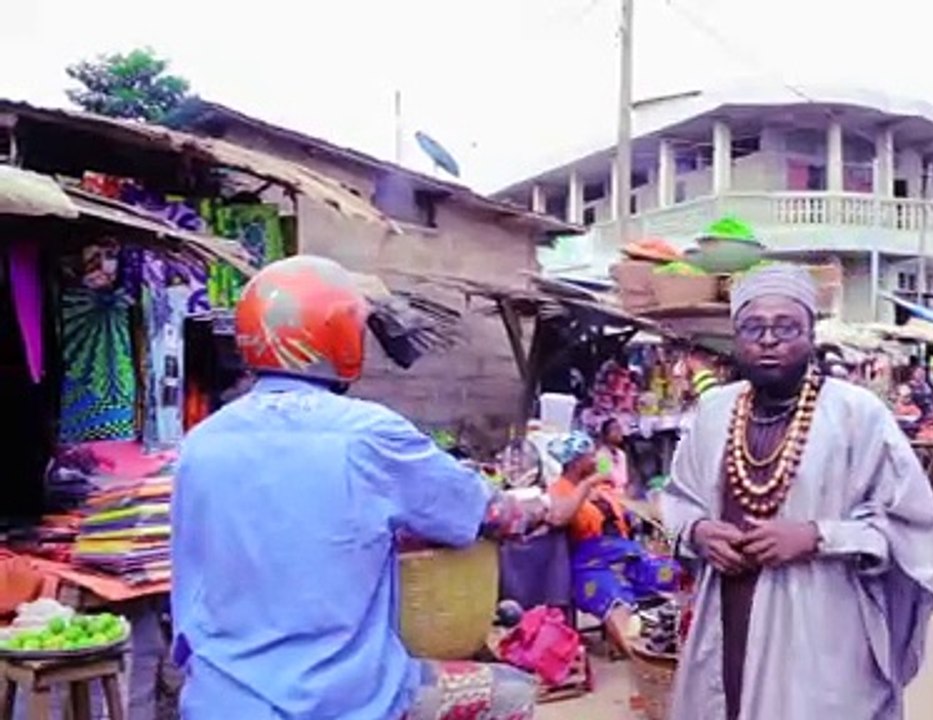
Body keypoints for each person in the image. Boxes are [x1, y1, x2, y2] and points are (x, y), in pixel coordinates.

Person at [171, 256, 579, 720]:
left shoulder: (199, 445)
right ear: (340, 333)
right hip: (337, 702)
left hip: (217, 701)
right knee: (511, 691)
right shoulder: (368, 435)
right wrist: (544, 506)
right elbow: (483, 512)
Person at [661, 263, 933, 720]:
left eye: (785, 326)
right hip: (729, 605)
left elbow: (910, 525)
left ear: (812, 333)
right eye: (753, 327)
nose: (768, 339)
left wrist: (817, 536)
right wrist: (698, 532)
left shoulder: (858, 414)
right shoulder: (714, 411)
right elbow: (677, 497)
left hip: (823, 620)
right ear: (736, 337)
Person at [548, 431, 681, 657]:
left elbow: (627, 510)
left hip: (626, 555)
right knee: (612, 596)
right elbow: (559, 516)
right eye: (589, 456)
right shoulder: (560, 489)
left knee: (677, 573)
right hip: (589, 565)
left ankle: (682, 641)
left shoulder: (601, 489)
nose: (595, 460)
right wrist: (589, 482)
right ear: (575, 463)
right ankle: (641, 659)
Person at [596, 417, 630, 493]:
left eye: (620, 429)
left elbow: (623, 480)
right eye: (615, 429)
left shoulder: (621, 455)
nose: (619, 432)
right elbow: (604, 479)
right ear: (606, 435)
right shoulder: (602, 456)